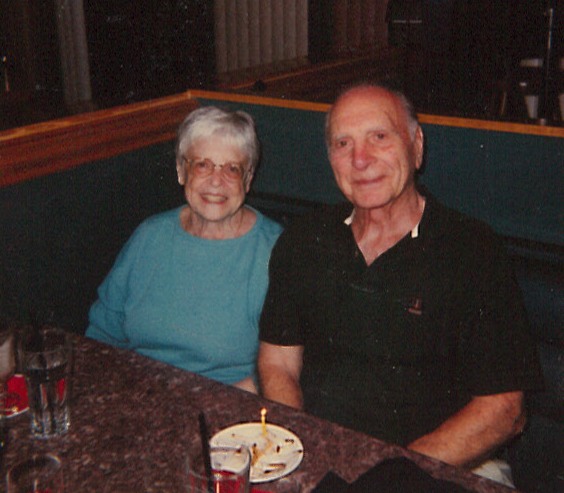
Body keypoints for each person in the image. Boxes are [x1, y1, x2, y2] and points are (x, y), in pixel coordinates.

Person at [258, 84, 542, 478]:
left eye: (379, 137)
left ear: (416, 145)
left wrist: (387, 476)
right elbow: (278, 363)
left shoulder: (472, 250)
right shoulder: (304, 239)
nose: (360, 159)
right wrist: (300, 448)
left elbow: (505, 409)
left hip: (444, 464)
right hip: (321, 457)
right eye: (343, 143)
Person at [87, 106, 282, 393]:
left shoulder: (275, 251)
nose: (216, 180)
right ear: (181, 171)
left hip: (225, 403)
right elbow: (103, 331)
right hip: (137, 393)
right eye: (203, 164)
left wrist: (209, 404)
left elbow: (282, 368)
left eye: (232, 168)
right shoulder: (150, 236)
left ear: (248, 178)